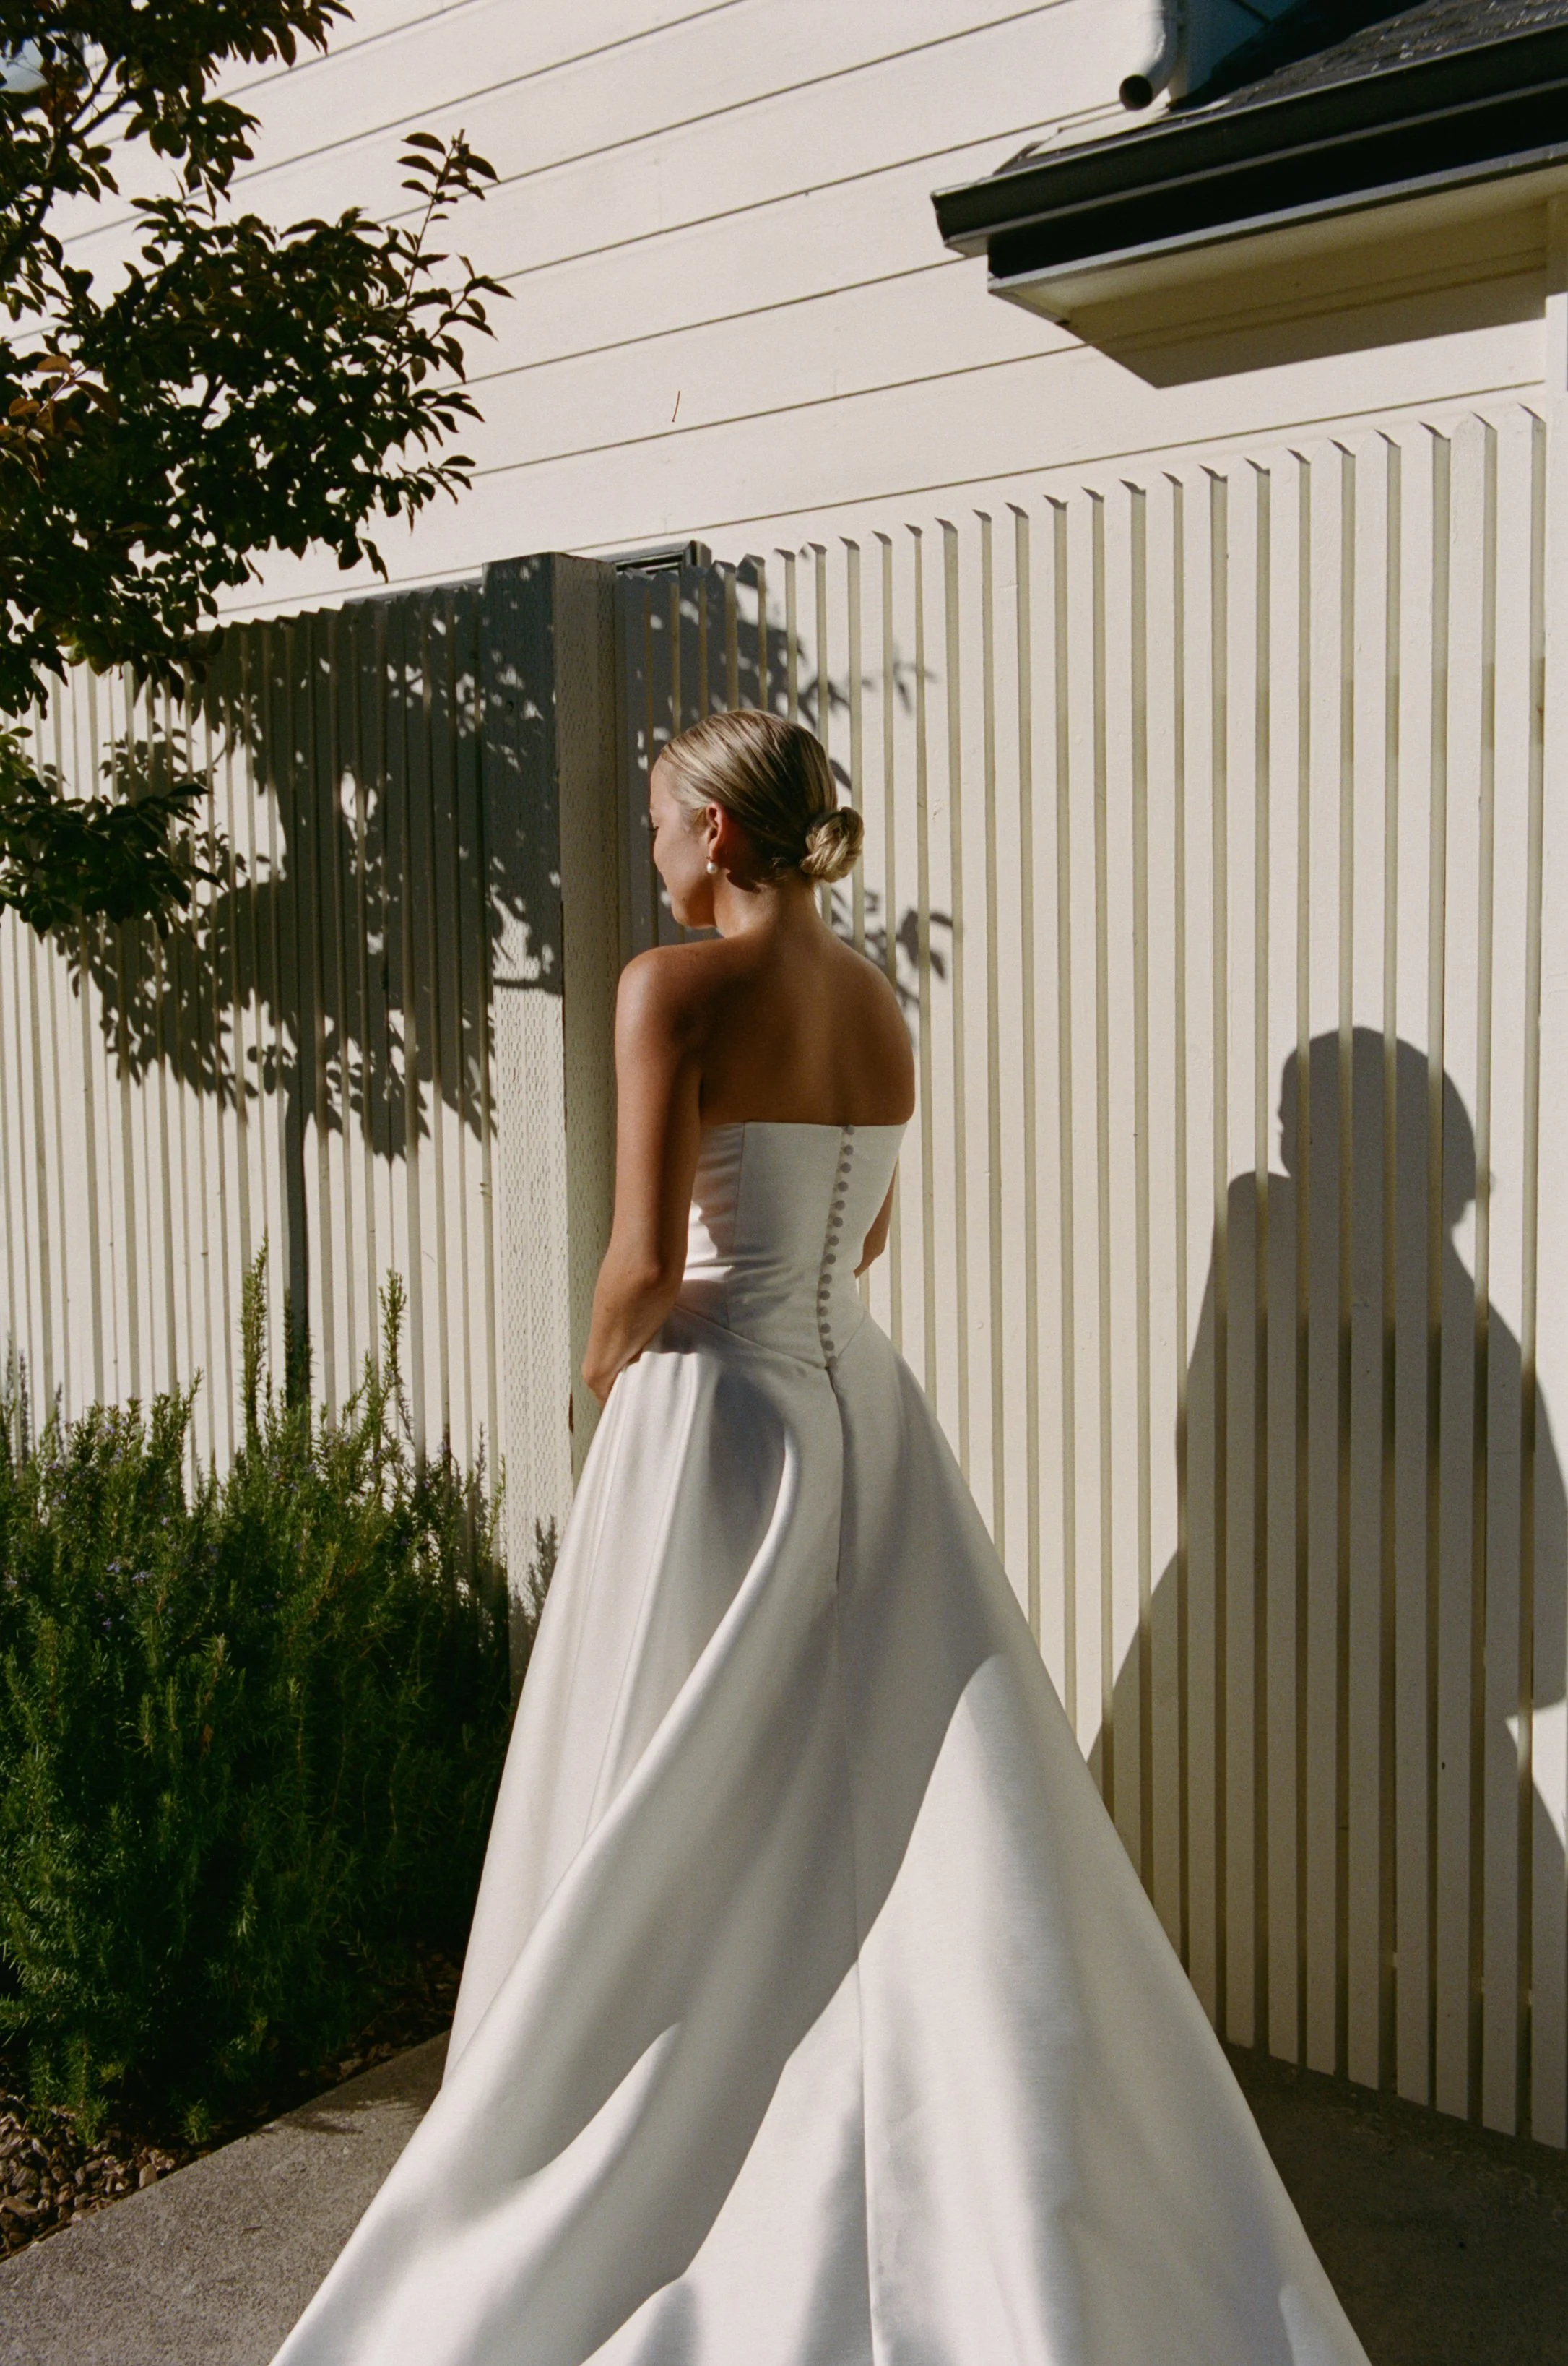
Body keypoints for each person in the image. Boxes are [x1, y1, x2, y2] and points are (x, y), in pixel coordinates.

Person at [272, 711, 1368, 2365]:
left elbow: (643, 1259)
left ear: (716, 832)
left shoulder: (669, 988)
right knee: (893, 1794)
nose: (646, 846)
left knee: (688, 1788)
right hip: (860, 1412)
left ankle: (683, 2121)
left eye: (653, 819)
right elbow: (867, 1241)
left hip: (718, 1417)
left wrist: (592, 1379)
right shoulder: (875, 1001)